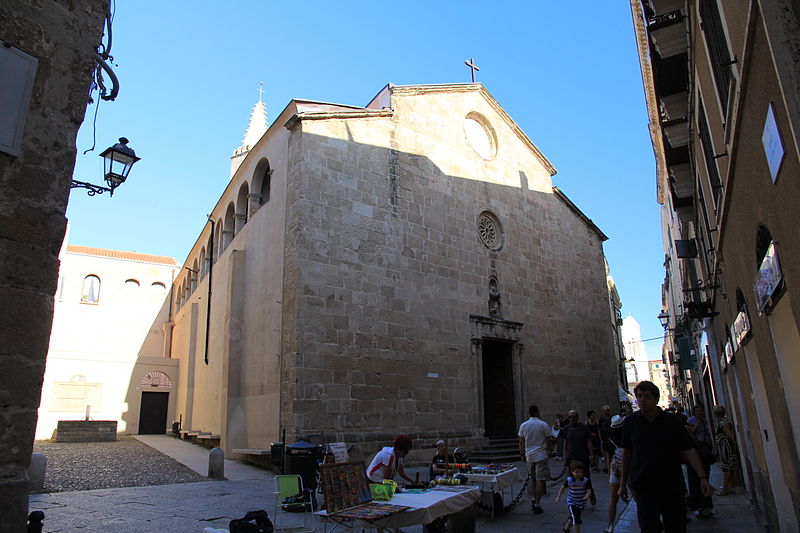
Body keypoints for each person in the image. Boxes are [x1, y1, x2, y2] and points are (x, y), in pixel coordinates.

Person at [619, 381, 714, 532]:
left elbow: (689, 449)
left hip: (671, 486)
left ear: (656, 399)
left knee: (676, 527)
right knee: (648, 528)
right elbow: (627, 453)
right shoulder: (630, 423)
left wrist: (702, 477)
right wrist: (623, 483)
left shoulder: (672, 421)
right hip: (644, 486)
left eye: (647, 396)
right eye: (639, 396)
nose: (642, 400)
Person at [518, 404, 556, 514]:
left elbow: (521, 441)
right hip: (541, 455)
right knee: (540, 480)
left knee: (533, 479)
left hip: (529, 456)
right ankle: (537, 503)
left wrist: (522, 453)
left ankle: (534, 498)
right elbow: (548, 440)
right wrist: (550, 451)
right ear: (536, 412)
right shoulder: (543, 424)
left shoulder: (523, 425)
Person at [686, 404, 715, 517]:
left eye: (700, 411)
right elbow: (690, 434)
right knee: (695, 481)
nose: (699, 413)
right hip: (696, 451)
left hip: (705, 451)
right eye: (697, 411)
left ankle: (706, 506)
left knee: (705, 478)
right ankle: (699, 505)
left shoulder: (705, 421)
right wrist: (696, 425)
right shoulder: (690, 421)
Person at [564, 409, 595, 505]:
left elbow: (588, 442)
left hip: (583, 457)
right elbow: (565, 443)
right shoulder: (567, 428)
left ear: (577, 417)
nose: (571, 419)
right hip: (571, 458)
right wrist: (565, 458)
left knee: (586, 478)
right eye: (570, 417)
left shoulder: (584, 428)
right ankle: (576, 499)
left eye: (573, 417)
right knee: (572, 480)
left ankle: (591, 495)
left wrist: (591, 455)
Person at [554, 460, 594, 533]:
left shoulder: (586, 480)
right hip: (572, 502)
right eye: (577, 472)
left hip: (580, 502)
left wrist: (587, 496)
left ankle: (566, 529)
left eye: (580, 472)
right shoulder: (569, 480)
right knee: (576, 518)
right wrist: (558, 497)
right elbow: (563, 488)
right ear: (572, 472)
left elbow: (589, 490)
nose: (579, 474)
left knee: (573, 517)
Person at [605, 414, 627, 533]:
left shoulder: (611, 439)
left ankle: (610, 526)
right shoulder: (626, 436)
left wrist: (609, 470)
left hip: (615, 468)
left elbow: (608, 456)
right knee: (637, 497)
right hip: (627, 467)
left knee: (613, 499)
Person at [712, 405, 739, 496]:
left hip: (726, 447)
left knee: (726, 467)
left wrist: (734, 443)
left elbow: (729, 434)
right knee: (727, 467)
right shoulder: (723, 422)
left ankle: (724, 488)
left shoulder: (723, 423)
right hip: (724, 446)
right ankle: (729, 485)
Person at [598, 405, 614, 473]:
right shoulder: (601, 419)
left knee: (611, 454)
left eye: (607, 410)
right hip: (605, 439)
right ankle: (607, 467)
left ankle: (609, 468)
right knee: (606, 453)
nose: (606, 412)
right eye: (604, 411)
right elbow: (599, 428)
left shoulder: (612, 418)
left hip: (612, 439)